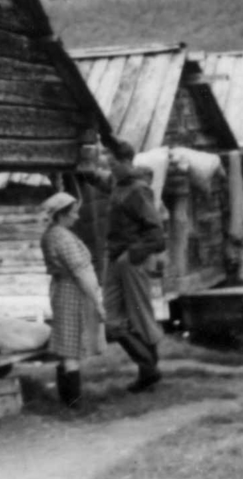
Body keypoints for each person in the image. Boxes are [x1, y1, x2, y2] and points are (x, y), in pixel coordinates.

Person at [100, 140, 167, 393]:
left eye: (113, 162)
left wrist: (132, 255)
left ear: (126, 161)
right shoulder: (118, 185)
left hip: (131, 260)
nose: (110, 166)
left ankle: (148, 372)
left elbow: (157, 234)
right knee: (113, 322)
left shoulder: (138, 190)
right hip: (114, 258)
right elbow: (98, 179)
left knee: (140, 316)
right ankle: (149, 366)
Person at [39, 192, 105, 407]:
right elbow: (79, 272)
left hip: (66, 289)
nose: (77, 217)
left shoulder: (56, 233)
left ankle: (68, 398)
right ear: (61, 215)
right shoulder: (61, 237)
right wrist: (96, 301)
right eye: (73, 213)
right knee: (71, 346)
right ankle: (73, 401)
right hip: (71, 291)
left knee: (69, 344)